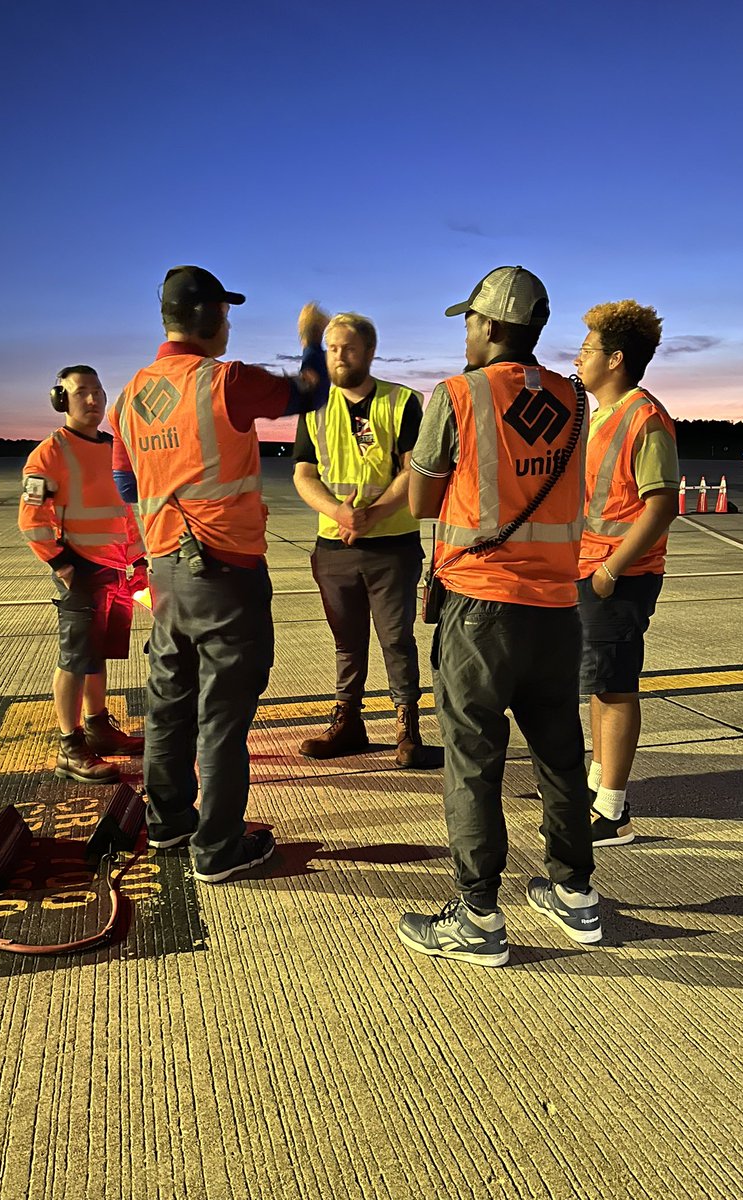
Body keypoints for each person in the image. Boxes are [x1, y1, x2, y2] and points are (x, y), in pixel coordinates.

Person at [396, 266, 600, 967]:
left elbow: (421, 502)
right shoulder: (576, 399)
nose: (464, 331)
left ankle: (478, 915)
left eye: (469, 320)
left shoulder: (457, 395)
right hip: (557, 608)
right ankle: (575, 895)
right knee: (560, 755)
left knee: (474, 761)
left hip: (481, 609)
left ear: (490, 326)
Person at [109, 266, 330, 883]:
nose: (230, 324)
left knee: (169, 702)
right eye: (226, 314)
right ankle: (219, 847)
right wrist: (310, 336)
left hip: (166, 570)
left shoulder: (130, 395)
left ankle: (169, 821)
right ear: (209, 317)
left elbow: (126, 483)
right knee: (225, 713)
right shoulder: (224, 381)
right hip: (224, 569)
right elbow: (309, 390)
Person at [292, 312, 426, 767]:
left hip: (392, 543)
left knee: (396, 639)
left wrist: (373, 514)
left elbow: (413, 469)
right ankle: (348, 722)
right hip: (335, 546)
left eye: (348, 348)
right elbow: (304, 474)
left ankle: (408, 728)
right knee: (347, 642)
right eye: (331, 348)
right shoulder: (315, 406)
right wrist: (339, 513)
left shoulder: (402, 401)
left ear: (370, 351)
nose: (339, 357)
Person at [574, 300, 679, 846]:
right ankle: (599, 789)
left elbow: (662, 504)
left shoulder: (644, 417)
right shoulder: (599, 416)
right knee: (598, 682)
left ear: (615, 359)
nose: (578, 356)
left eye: (587, 348)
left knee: (615, 687)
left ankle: (612, 812)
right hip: (592, 568)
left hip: (618, 574)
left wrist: (611, 570)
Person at [18, 365, 147, 784]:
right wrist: (60, 564)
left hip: (114, 568)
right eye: (81, 393)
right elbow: (32, 518)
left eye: (97, 392)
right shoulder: (50, 452)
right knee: (75, 659)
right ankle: (70, 746)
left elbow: (124, 513)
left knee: (97, 654)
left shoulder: (114, 449)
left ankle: (98, 727)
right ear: (62, 400)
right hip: (80, 568)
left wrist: (138, 558)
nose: (92, 400)